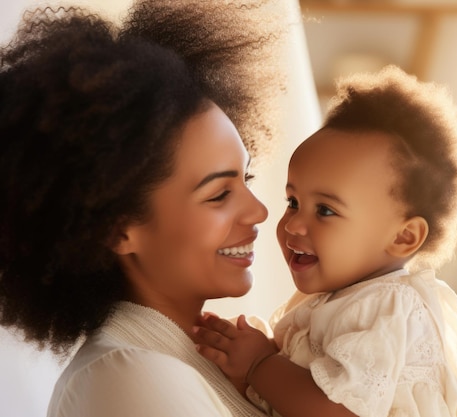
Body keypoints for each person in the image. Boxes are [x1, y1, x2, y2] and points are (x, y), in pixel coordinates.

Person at [0, 1, 289, 416]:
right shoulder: (128, 373)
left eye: (248, 180)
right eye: (219, 195)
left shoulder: (199, 359)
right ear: (117, 230)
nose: (259, 211)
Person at [195, 65, 457, 417]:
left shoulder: (387, 308)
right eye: (293, 202)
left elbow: (337, 410)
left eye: (326, 211)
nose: (294, 224)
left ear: (404, 237)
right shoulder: (335, 302)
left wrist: (260, 364)